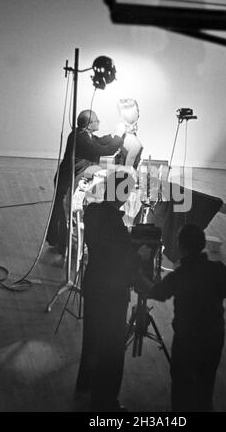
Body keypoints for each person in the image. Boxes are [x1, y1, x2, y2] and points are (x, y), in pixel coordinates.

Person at [146, 224, 226, 412]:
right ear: (202, 244)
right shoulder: (218, 269)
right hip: (214, 336)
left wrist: (139, 275)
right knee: (206, 382)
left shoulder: (179, 276)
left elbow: (157, 293)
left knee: (181, 386)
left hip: (187, 340)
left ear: (181, 246)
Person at [76, 170, 141, 412]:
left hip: (92, 284)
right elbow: (122, 259)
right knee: (112, 349)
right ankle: (105, 403)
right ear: (122, 194)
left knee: (91, 339)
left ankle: (84, 383)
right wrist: (139, 255)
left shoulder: (93, 212)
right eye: (129, 190)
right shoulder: (115, 224)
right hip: (111, 293)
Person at [46, 109, 124, 254]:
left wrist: (113, 135)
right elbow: (105, 150)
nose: (99, 122)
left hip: (69, 177)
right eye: (96, 120)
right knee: (63, 212)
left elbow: (98, 141)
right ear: (88, 125)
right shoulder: (81, 138)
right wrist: (119, 136)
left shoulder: (81, 134)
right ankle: (61, 245)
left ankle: (60, 243)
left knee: (62, 212)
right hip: (67, 180)